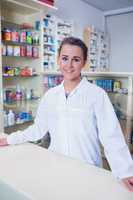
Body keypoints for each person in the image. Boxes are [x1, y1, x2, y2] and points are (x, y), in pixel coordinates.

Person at [0, 37, 133, 191]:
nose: (69, 65)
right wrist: (10, 139)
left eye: (76, 59)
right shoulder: (50, 95)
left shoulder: (97, 95)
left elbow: (111, 135)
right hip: (56, 166)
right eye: (65, 58)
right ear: (58, 60)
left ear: (83, 62)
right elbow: (38, 129)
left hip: (87, 169)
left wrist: (126, 171)